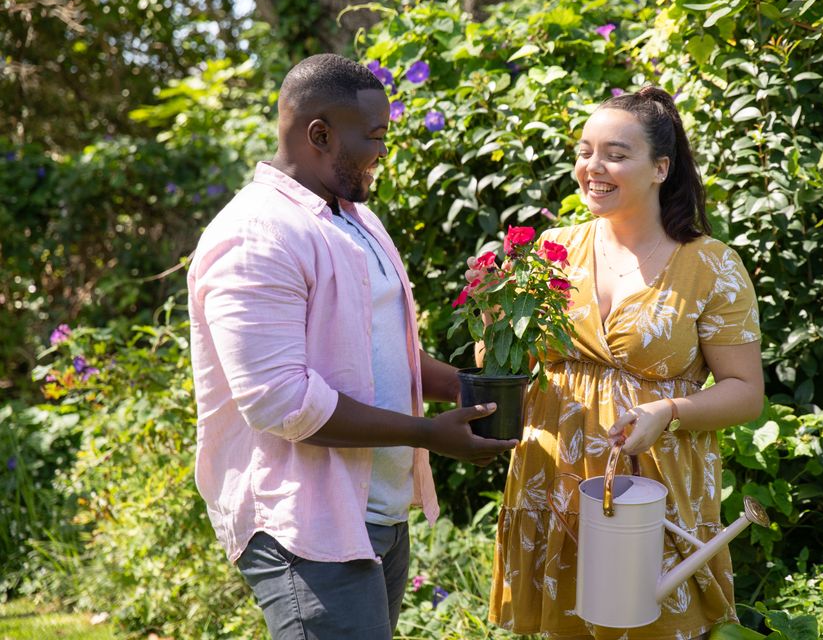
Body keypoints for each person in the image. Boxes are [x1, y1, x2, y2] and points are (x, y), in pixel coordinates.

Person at [187, 53, 516, 640]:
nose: (383, 149)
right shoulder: (255, 234)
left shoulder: (354, 218)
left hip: (376, 515)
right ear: (320, 134)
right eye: (375, 135)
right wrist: (425, 433)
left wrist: (471, 389)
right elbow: (281, 403)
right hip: (307, 525)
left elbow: (385, 354)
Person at [488, 86, 765, 639]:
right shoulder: (550, 252)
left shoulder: (711, 266)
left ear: (661, 168)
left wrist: (668, 410)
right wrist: (491, 318)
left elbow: (744, 390)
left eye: (616, 154)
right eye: (585, 151)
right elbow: (507, 363)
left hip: (653, 488)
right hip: (553, 483)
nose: (593, 166)